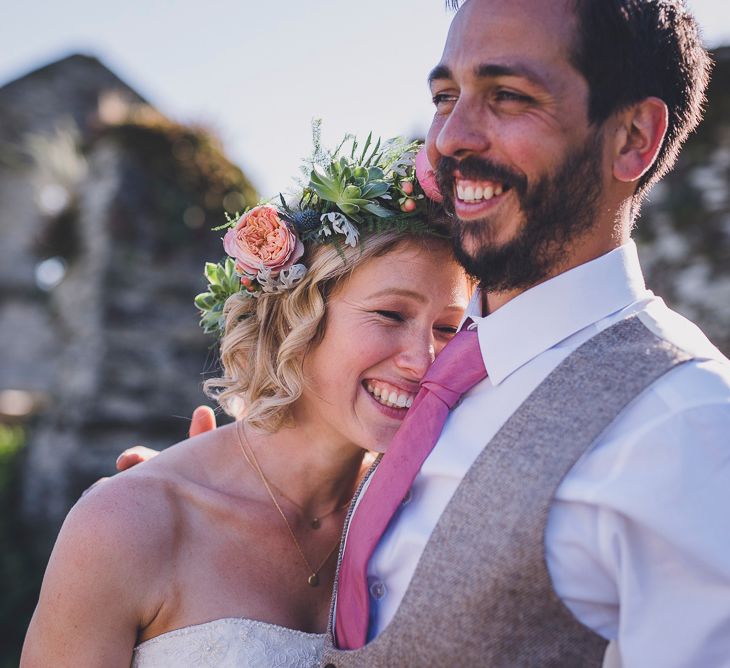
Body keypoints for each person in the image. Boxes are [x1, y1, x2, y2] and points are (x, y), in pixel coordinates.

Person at [85, 1, 730, 664]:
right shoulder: (427, 388)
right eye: (445, 95)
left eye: (508, 96)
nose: (450, 136)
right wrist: (197, 498)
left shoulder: (687, 429)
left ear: (633, 138)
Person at [20, 135, 471, 667]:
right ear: (299, 316)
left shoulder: (426, 518)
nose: (423, 361)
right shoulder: (127, 526)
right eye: (390, 315)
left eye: (448, 328)